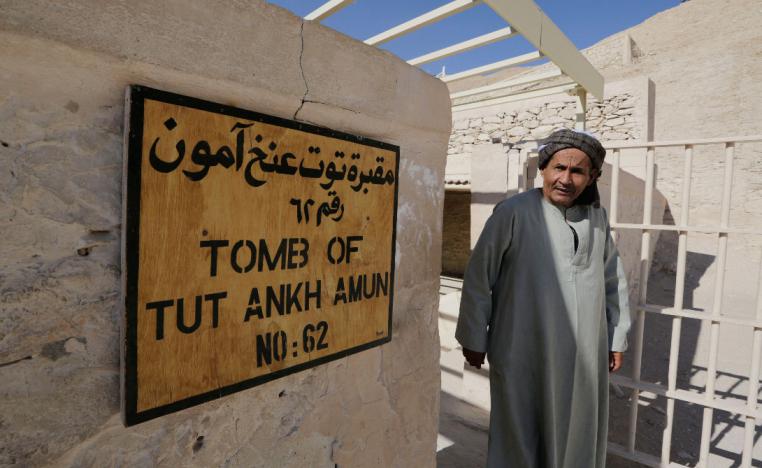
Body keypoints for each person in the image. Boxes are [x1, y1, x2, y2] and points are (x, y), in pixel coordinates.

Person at [455, 128, 632, 468]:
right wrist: (474, 336)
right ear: (543, 169)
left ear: (592, 176)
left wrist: (617, 337)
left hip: (584, 352)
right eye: (558, 168)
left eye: (577, 171)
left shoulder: (597, 217)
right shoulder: (513, 212)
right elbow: (480, 277)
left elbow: (613, 279)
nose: (565, 179)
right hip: (523, 346)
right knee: (520, 431)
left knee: (578, 428)